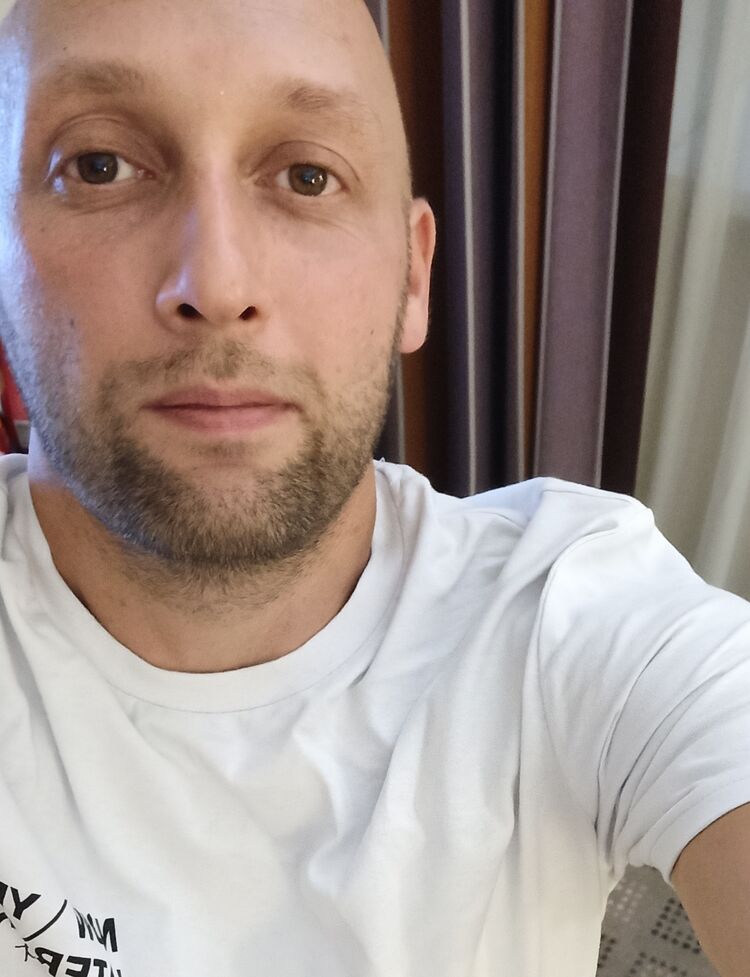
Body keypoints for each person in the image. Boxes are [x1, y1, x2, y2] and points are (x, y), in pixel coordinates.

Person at [0, 0, 747, 975]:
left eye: (307, 176)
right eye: (99, 165)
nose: (216, 284)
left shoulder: (571, 621)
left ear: (413, 276)